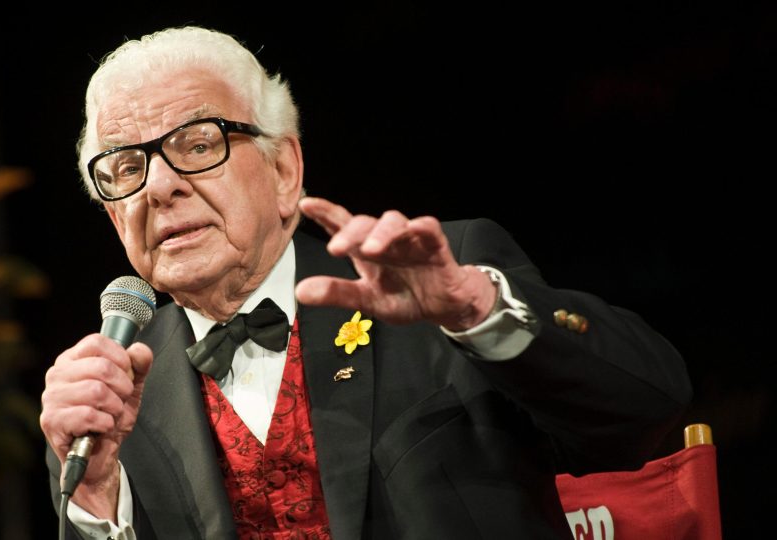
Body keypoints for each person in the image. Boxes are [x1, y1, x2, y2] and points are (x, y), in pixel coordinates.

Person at [39, 26, 691, 539]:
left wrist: (476, 311)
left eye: (197, 143)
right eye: (125, 167)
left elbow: (649, 407)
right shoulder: (112, 405)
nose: (159, 186)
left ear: (284, 168)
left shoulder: (443, 284)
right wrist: (98, 511)